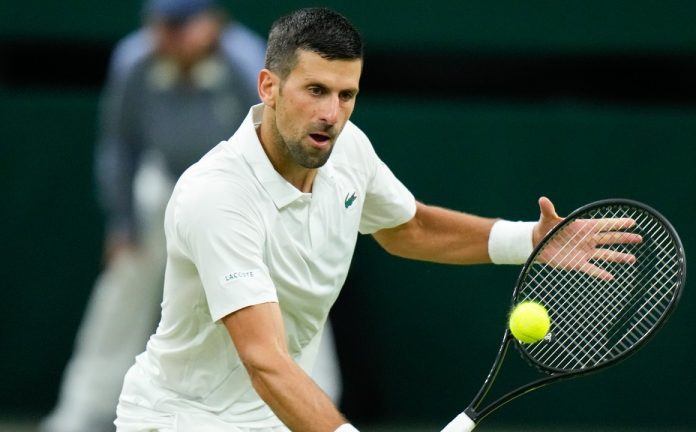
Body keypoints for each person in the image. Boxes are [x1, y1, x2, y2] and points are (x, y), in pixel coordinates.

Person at [114, 7, 637, 432]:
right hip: (180, 419)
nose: (332, 114)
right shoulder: (217, 197)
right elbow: (265, 360)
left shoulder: (348, 151)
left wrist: (529, 240)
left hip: (268, 417)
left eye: (347, 96)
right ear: (268, 87)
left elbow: (408, 227)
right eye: (315, 90)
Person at [41, 2, 335, 431]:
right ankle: (80, 416)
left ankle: (315, 407)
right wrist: (123, 221)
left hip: (250, 191)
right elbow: (119, 146)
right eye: (160, 24)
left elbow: (285, 140)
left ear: (213, 23)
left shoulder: (245, 63)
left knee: (290, 286)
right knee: (123, 285)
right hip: (165, 187)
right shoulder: (134, 62)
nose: (168, 35)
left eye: (181, 24)